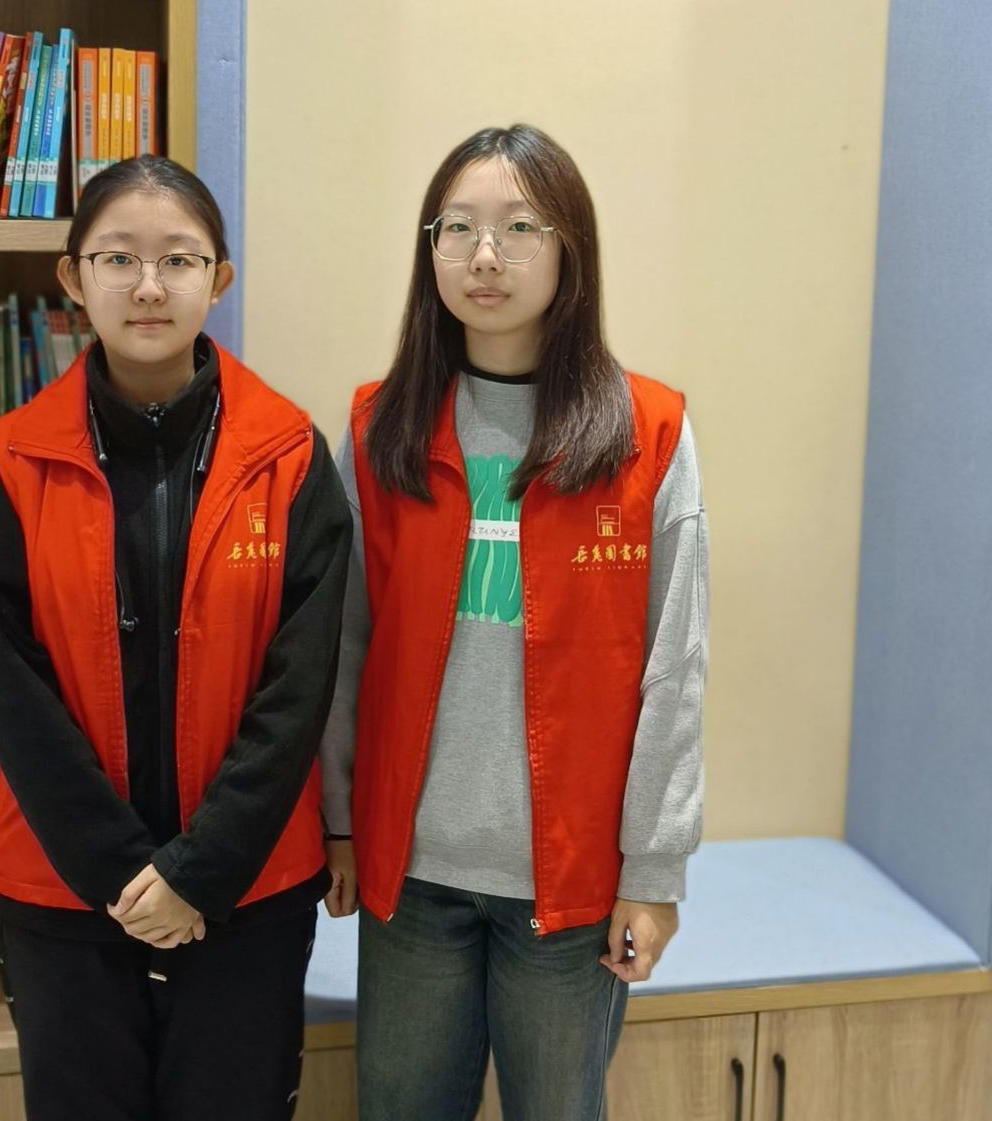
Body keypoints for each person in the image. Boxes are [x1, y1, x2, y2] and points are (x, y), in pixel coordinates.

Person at [320, 124, 708, 1120]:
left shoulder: (649, 431)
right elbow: (343, 645)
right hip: (412, 876)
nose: (484, 255)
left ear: (570, 247)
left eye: (519, 227)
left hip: (571, 887)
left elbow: (674, 669)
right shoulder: (377, 424)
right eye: (456, 228)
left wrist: (653, 872)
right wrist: (337, 819)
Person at [0, 156, 352, 1121]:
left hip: (245, 895)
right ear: (72, 277)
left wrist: (197, 876)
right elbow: (13, 691)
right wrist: (122, 875)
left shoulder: (291, 457)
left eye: (178, 259)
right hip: (65, 895)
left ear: (220, 279)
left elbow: (298, 693)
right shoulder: (11, 461)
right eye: (118, 258)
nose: (147, 285)